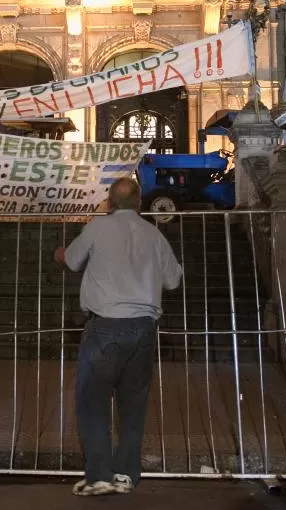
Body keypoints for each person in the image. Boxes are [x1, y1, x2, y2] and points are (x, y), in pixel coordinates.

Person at [53, 177, 183, 496]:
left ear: (109, 203)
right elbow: (173, 281)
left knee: (93, 402)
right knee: (133, 405)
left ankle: (99, 475)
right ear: (139, 204)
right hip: (143, 327)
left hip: (105, 326)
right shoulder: (153, 234)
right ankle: (125, 473)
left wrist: (59, 253)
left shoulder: (98, 228)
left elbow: (72, 260)